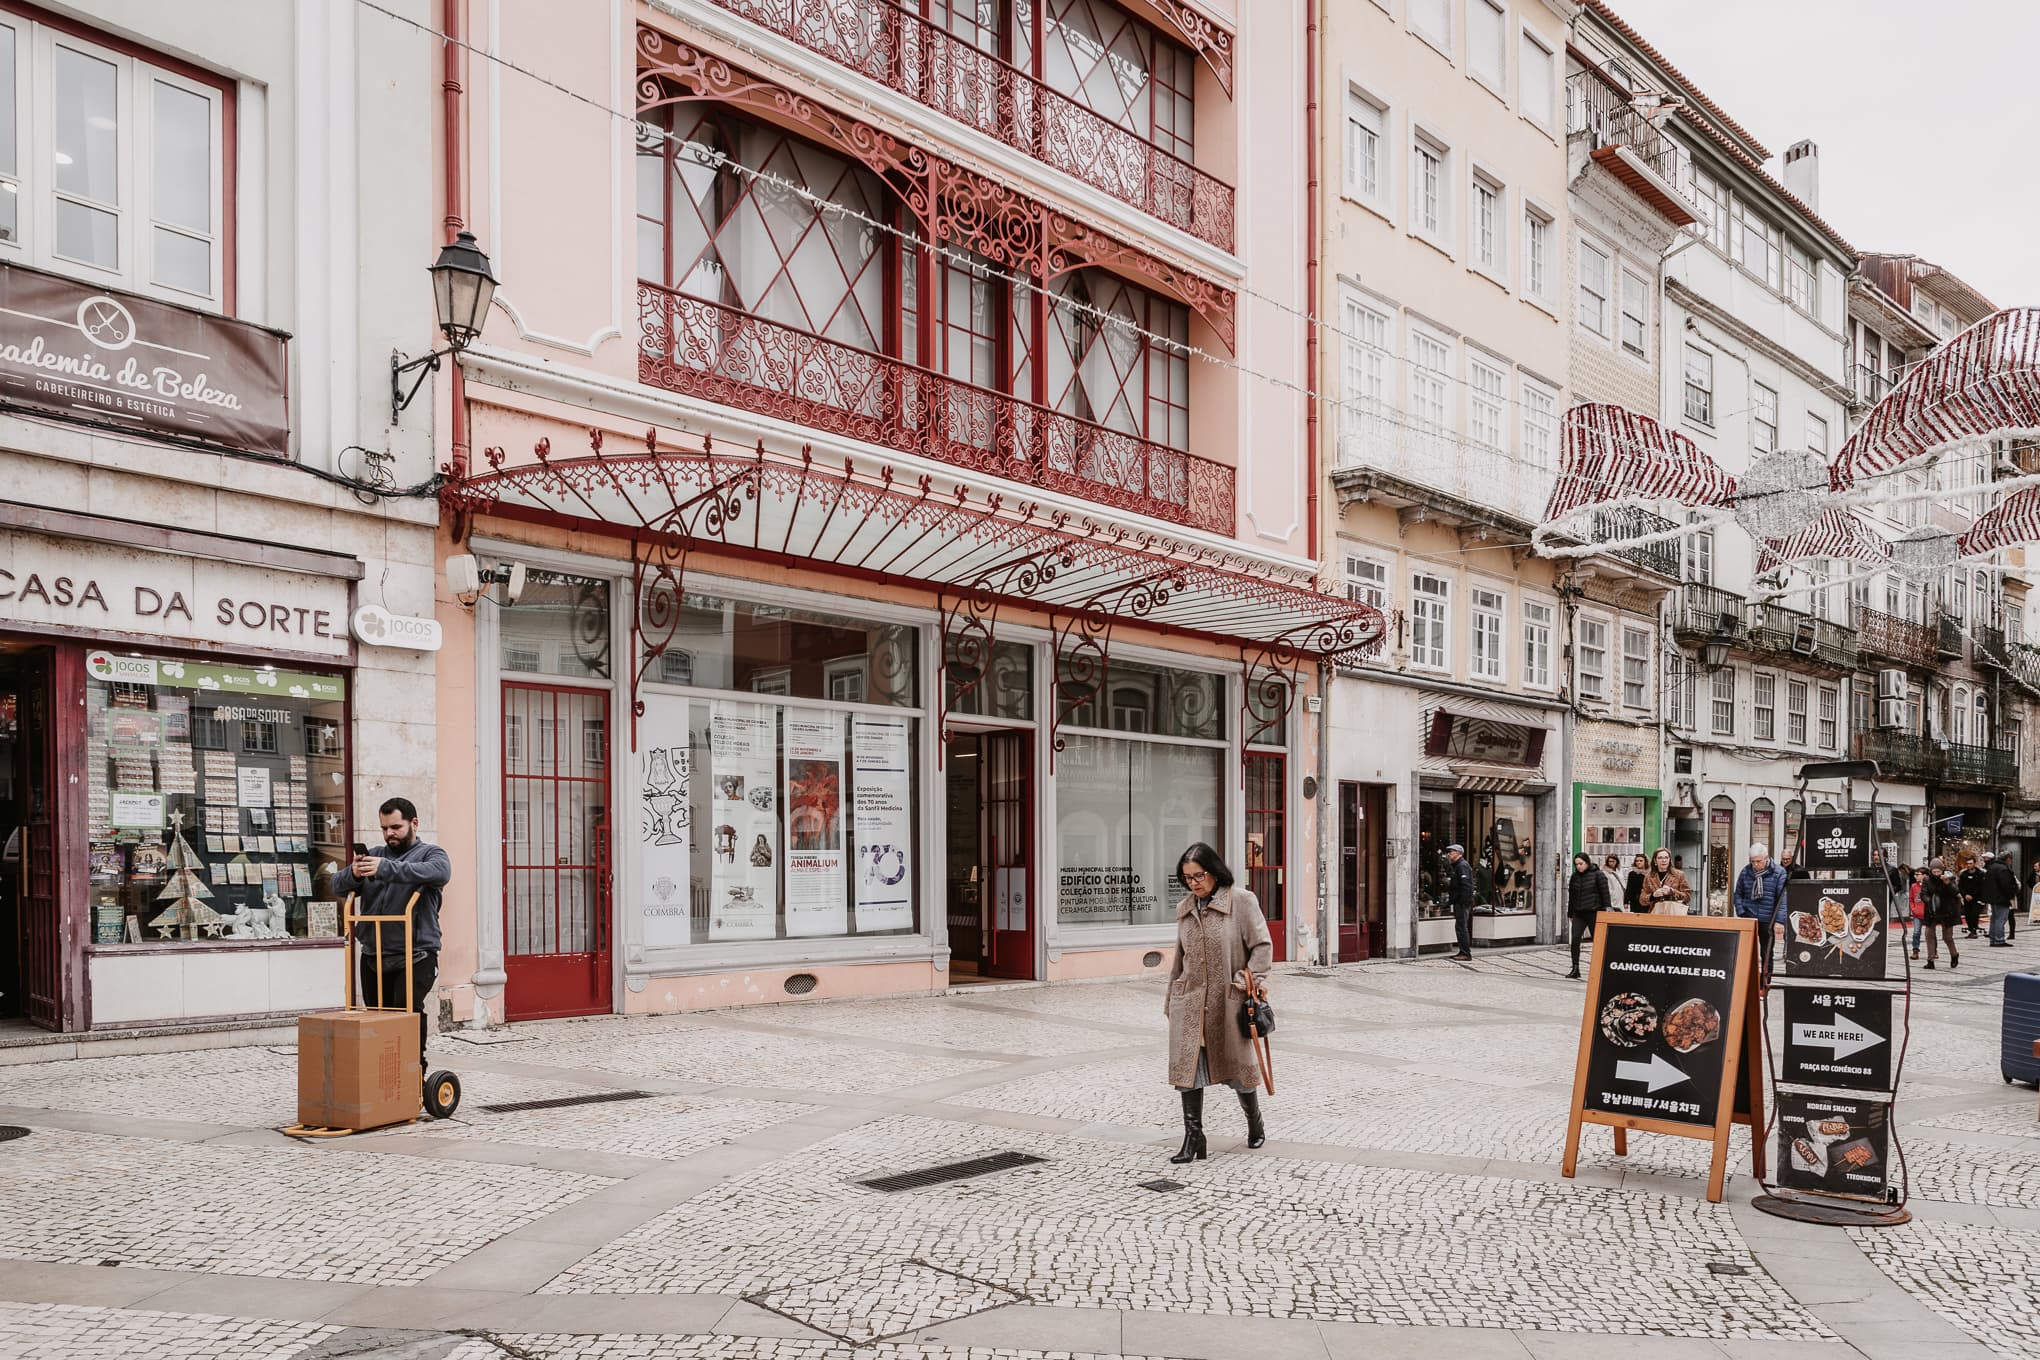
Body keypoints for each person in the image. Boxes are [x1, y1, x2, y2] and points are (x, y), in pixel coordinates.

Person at [1164, 843, 1272, 1163]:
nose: (1193, 883)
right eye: (1186, 878)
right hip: (1191, 1003)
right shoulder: (1186, 908)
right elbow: (1179, 959)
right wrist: (1173, 999)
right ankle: (1193, 1137)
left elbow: (1262, 947)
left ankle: (1255, 1122)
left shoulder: (1241, 901)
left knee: (1240, 1075)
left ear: (1214, 872)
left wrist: (1245, 982)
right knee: (1188, 1073)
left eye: (1199, 876)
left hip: (1228, 1003)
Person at [333, 797, 452, 1076]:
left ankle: (413, 1074)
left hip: (417, 953)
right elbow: (336, 885)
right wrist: (354, 872)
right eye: (384, 828)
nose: (389, 834)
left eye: (395, 827)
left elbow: (440, 872)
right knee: (376, 1018)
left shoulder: (431, 854)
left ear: (414, 824)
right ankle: (381, 1078)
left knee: (406, 1013)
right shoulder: (374, 854)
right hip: (374, 953)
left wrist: (385, 868)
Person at [1732, 843, 1789, 982]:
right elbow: (1738, 894)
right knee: (1746, 953)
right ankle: (1746, 982)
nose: (1755, 865)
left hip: (1768, 919)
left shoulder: (1779, 872)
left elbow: (1782, 899)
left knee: (1766, 953)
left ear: (1766, 858)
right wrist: (1741, 912)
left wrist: (1780, 921)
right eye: (1753, 861)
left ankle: (1765, 983)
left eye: (1758, 861)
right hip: (1748, 917)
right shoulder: (1746, 871)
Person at [1566, 853, 1611, 979]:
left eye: (1581, 864)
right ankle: (1575, 968)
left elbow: (1605, 895)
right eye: (1576, 864)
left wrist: (1605, 911)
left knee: (1598, 941)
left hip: (1594, 912)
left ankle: (1600, 968)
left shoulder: (1598, 875)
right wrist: (1570, 913)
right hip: (1578, 913)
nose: (1578, 866)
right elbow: (1572, 896)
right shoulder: (1574, 877)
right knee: (1575, 939)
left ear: (1587, 862)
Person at [1922, 858, 1962, 970]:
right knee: (1929, 935)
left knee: (1947, 937)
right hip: (1932, 910)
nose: (1936, 874)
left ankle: (1954, 954)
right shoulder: (1927, 880)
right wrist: (1929, 901)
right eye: (1934, 871)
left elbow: (1955, 892)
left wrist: (1947, 883)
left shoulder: (1949, 877)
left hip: (1947, 910)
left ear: (1942, 870)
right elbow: (1923, 893)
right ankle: (1930, 960)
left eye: (1938, 871)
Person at [1444, 843, 1475, 962]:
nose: (1449, 854)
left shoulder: (1462, 866)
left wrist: (1462, 902)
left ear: (1458, 853)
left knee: (1461, 927)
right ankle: (1463, 951)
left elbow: (1466, 886)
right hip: (1460, 902)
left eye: (1451, 852)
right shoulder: (1458, 866)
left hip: (1462, 903)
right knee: (1460, 927)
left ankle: (1465, 953)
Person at [1983, 849, 2020, 947]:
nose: (2011, 861)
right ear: (2007, 859)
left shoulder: (1992, 867)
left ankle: (1993, 939)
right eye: (2010, 859)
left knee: (1994, 918)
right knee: (2001, 919)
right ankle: (1999, 940)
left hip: (1993, 897)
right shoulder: (2003, 869)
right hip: (2001, 897)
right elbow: (2006, 885)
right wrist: (2011, 894)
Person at [1642, 847, 1692, 916]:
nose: (1664, 860)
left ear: (1669, 860)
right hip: (1656, 914)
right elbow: (1642, 900)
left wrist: (1672, 891)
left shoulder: (1679, 875)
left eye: (1666, 857)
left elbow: (1687, 896)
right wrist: (1653, 895)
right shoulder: (1649, 877)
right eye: (1660, 858)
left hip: (1675, 914)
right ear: (1655, 861)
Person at [1956, 854, 1987, 938]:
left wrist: (1973, 895)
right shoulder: (1964, 874)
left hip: (1976, 898)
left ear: (1974, 863)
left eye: (1970, 863)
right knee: (1967, 914)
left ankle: (1974, 930)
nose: (1969, 865)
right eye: (1968, 864)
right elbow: (1960, 886)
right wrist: (1965, 894)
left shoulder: (1980, 874)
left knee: (1974, 914)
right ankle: (1971, 929)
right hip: (1966, 898)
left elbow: (1981, 886)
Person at [1905, 866, 1926, 959]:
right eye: (1915, 874)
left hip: (1927, 912)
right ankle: (1915, 950)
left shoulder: (1928, 885)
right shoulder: (1914, 886)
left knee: (1930, 933)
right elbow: (1911, 899)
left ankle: (1934, 950)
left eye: (1918, 874)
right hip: (1917, 913)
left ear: (1924, 876)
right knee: (1916, 932)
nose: (1915, 876)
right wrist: (1913, 909)